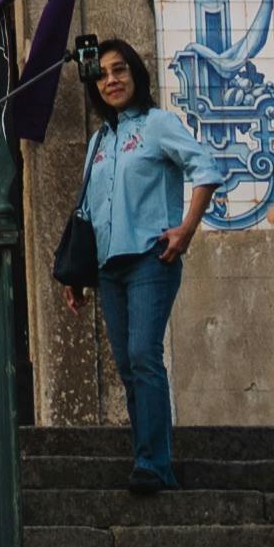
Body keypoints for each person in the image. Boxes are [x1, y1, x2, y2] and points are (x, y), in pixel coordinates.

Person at [64, 32, 207, 494]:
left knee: (145, 355)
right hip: (108, 268)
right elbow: (87, 209)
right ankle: (147, 453)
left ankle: (154, 464)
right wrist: (77, 275)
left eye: (119, 69)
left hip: (151, 256)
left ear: (136, 74)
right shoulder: (98, 142)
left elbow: (206, 172)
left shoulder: (158, 124)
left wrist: (185, 230)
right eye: (102, 74)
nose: (111, 80)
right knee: (127, 363)